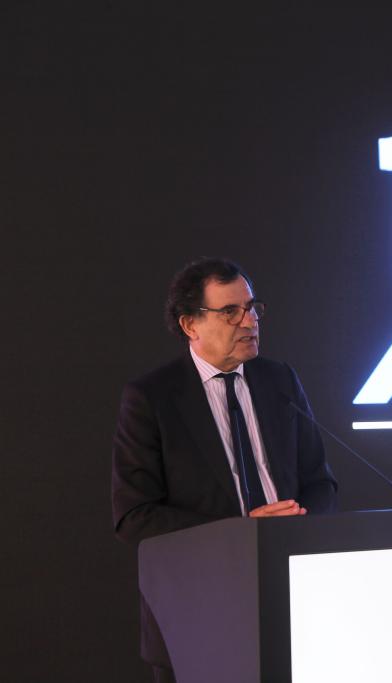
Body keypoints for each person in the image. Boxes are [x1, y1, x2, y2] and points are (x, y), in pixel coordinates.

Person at [111, 257, 338, 682]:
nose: (249, 321)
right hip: (198, 609)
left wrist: (299, 527)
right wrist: (241, 532)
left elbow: (320, 483)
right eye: (230, 311)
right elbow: (135, 517)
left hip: (291, 597)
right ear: (190, 325)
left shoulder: (280, 380)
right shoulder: (152, 398)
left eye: (252, 308)